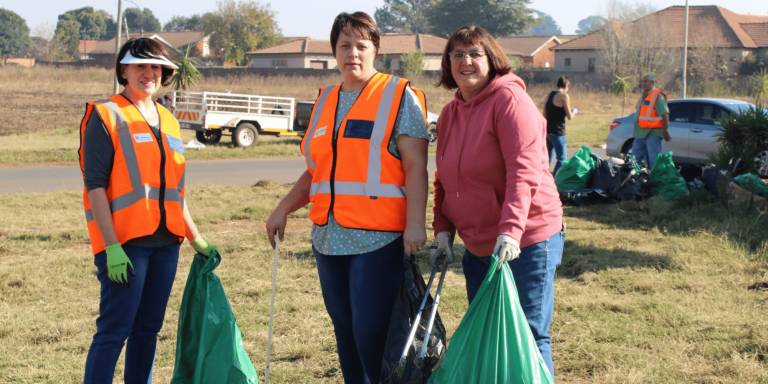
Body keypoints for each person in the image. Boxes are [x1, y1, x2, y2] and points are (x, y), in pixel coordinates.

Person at [265, 12, 429, 384]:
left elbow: (416, 166)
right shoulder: (325, 101)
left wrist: (416, 223)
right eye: (344, 45)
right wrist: (282, 208)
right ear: (333, 51)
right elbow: (317, 171)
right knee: (344, 330)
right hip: (327, 238)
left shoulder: (399, 95)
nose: (352, 53)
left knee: (370, 332)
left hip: (378, 237)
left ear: (375, 50)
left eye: (361, 45)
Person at [78, 38, 218, 383]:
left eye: (156, 66)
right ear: (123, 70)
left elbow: (174, 190)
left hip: (167, 244)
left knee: (148, 331)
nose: (149, 73)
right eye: (140, 65)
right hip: (126, 245)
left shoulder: (169, 121)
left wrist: (195, 237)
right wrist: (111, 247)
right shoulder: (105, 114)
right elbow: (94, 186)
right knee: (114, 331)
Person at [429, 25, 564, 379]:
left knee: (528, 333)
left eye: (475, 53)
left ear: (492, 59)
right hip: (478, 244)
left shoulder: (510, 102)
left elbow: (524, 171)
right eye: (457, 55)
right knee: (493, 333)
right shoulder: (449, 114)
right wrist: (442, 231)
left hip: (527, 239)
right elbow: (444, 178)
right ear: (448, 64)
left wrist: (511, 231)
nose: (466, 61)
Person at [632, 73, 669, 169]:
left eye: (646, 81)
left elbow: (665, 115)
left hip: (653, 133)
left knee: (654, 162)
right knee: (635, 160)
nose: (643, 84)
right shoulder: (643, 95)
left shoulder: (657, 96)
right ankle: (634, 181)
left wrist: (665, 132)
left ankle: (655, 182)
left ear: (652, 83)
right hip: (640, 133)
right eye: (642, 81)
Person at [541, 76, 575, 176]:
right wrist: (574, 112)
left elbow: (544, 115)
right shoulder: (564, 96)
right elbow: (569, 116)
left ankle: (543, 178)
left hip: (549, 131)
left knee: (547, 159)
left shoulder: (548, 95)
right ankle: (554, 180)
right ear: (567, 86)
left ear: (557, 85)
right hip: (559, 132)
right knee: (561, 159)